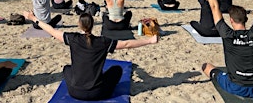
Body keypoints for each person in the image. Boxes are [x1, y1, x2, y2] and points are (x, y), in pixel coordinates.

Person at [23, 11, 158, 101]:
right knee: (117, 70)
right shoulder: (103, 41)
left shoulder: (73, 38)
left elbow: (51, 30)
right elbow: (127, 43)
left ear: (79, 25)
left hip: (74, 92)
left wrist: (33, 18)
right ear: (93, 26)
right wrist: (150, 41)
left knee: (66, 68)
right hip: (98, 93)